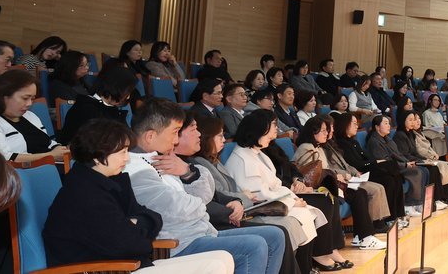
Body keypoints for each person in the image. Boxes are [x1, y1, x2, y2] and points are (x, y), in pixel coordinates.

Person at [42, 118, 235, 274]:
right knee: (214, 266)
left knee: (222, 257)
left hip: (126, 265)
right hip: (103, 269)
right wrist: (136, 225)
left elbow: (153, 218)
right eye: (122, 152)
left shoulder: (113, 181)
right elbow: (132, 245)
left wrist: (134, 223)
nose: (127, 158)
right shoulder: (85, 194)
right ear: (98, 156)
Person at [124, 98, 285, 274]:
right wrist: (200, 205)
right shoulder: (135, 169)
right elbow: (176, 211)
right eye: (175, 132)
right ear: (150, 136)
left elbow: (205, 195)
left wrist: (187, 172)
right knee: (254, 246)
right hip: (177, 244)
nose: (176, 140)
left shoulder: (162, 158)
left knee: (275, 236)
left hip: (200, 232)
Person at [224, 110, 350, 265]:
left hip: (279, 198)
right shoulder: (243, 159)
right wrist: (292, 201)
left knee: (311, 211)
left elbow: (276, 183)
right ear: (260, 129)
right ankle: (310, 263)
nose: (276, 129)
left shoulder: (258, 153)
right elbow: (259, 194)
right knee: (304, 215)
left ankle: (312, 262)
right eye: (273, 125)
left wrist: (293, 198)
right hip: (259, 208)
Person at [294, 115, 397, 242]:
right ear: (313, 132)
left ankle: (364, 235)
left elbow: (330, 169)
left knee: (360, 192)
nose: (327, 133)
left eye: (328, 129)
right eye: (323, 130)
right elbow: (314, 174)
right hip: (321, 187)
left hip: (331, 182)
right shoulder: (306, 148)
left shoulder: (318, 147)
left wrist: (341, 175)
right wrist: (338, 176)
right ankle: (365, 235)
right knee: (359, 193)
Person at [331, 112, 417, 219]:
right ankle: (390, 218)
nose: (357, 126)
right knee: (389, 179)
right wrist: (375, 162)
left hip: (366, 170)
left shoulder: (354, 142)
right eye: (354, 123)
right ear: (345, 125)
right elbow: (355, 164)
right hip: (360, 173)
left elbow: (367, 157)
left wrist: (375, 162)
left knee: (396, 177)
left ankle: (399, 215)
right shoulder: (341, 144)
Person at [367, 116, 441, 206]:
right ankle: (411, 203)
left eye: (389, 123)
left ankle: (422, 201)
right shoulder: (374, 142)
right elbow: (386, 162)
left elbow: (399, 154)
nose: (389, 126)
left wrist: (407, 162)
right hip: (390, 169)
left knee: (425, 170)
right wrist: (405, 165)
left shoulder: (387, 139)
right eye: (385, 123)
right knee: (417, 172)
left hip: (398, 165)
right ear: (377, 127)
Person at [0, 70, 67, 163]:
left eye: (32, 99)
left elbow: (49, 142)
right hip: (24, 170)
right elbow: (6, 158)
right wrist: (50, 156)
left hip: (51, 165)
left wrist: (58, 149)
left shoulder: (30, 116)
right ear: (4, 96)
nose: (29, 103)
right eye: (25, 98)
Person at [392, 110, 448, 206]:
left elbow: (414, 152)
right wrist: (421, 160)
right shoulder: (400, 135)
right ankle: (434, 199)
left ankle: (441, 198)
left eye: (413, 120)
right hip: (408, 162)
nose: (413, 122)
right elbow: (405, 154)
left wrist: (423, 159)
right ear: (403, 121)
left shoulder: (410, 133)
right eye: (410, 120)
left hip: (415, 159)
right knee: (432, 169)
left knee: (436, 167)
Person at [57, 66, 136, 145]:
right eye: (127, 92)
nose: (128, 97)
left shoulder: (110, 108)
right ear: (116, 88)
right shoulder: (86, 108)